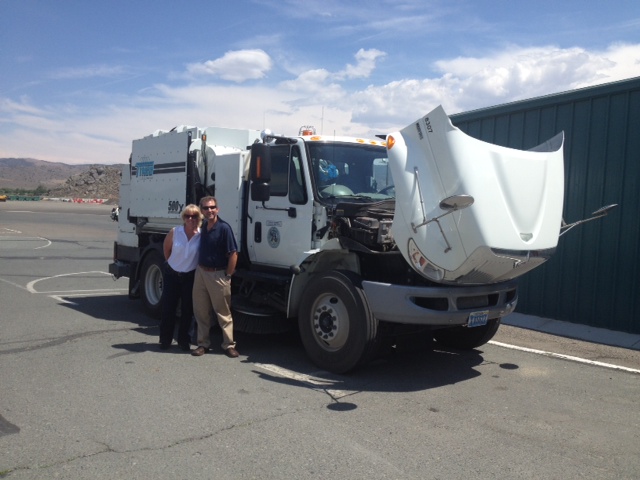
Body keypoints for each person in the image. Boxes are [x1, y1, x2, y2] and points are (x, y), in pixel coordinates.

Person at [191, 196, 239, 358]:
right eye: (205, 208)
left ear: (217, 209)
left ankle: (229, 345)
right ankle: (202, 344)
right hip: (201, 273)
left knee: (223, 313)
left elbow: (233, 253)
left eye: (212, 207)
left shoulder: (224, 228)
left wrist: (228, 275)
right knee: (201, 311)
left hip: (218, 274)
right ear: (201, 211)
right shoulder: (203, 227)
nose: (209, 211)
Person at [158, 204, 202, 351]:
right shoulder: (175, 232)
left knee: (188, 310)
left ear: (199, 218)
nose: (191, 219)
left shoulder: (201, 235)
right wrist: (172, 263)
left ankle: (184, 341)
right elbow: (166, 249)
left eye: (194, 216)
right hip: (172, 274)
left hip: (190, 276)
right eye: (188, 216)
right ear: (183, 218)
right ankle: (165, 340)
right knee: (168, 308)